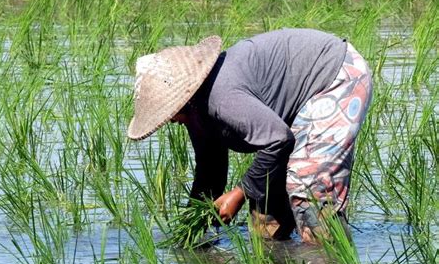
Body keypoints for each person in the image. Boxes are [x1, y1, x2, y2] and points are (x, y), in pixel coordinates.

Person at [127, 28, 373, 244]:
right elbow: (210, 170)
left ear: (184, 99)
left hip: (335, 75)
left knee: (308, 188)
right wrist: (193, 226)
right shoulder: (197, 111)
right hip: (295, 108)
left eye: (169, 112)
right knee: (264, 212)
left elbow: (278, 140)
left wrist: (239, 193)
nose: (171, 120)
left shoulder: (222, 97)